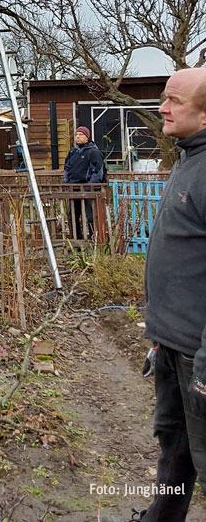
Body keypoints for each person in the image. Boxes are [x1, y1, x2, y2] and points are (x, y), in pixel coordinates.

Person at [131, 67, 206, 522]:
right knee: (174, 447)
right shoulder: (188, 159)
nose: (161, 108)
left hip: (199, 353)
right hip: (172, 343)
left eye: (173, 100)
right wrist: (159, 334)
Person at [62, 125, 105, 239]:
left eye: (81, 135)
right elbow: (66, 168)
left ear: (87, 137)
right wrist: (67, 182)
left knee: (90, 216)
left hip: (88, 189)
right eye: (76, 135)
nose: (78, 137)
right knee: (73, 216)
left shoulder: (93, 152)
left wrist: (89, 186)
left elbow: (98, 171)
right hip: (73, 188)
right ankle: (76, 239)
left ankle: (93, 238)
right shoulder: (72, 152)